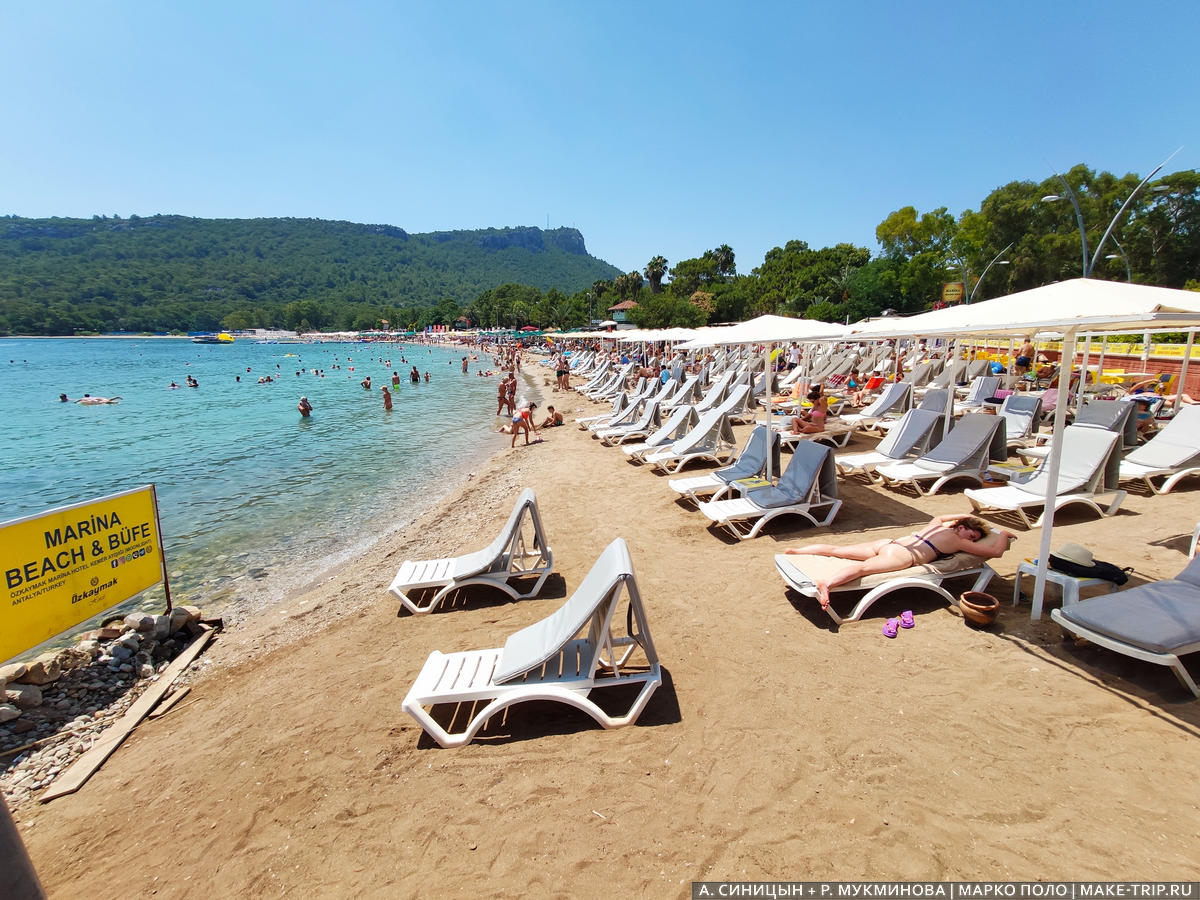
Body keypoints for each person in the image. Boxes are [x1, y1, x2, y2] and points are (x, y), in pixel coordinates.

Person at [785, 513, 1014, 608]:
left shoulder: (936, 526)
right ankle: (827, 584)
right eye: (971, 535)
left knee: (839, 550)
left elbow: (943, 517)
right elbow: (995, 553)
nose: (971, 541)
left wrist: (965, 517)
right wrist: (1003, 535)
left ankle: (798, 551)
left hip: (890, 543)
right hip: (903, 555)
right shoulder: (956, 540)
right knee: (864, 569)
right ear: (961, 529)